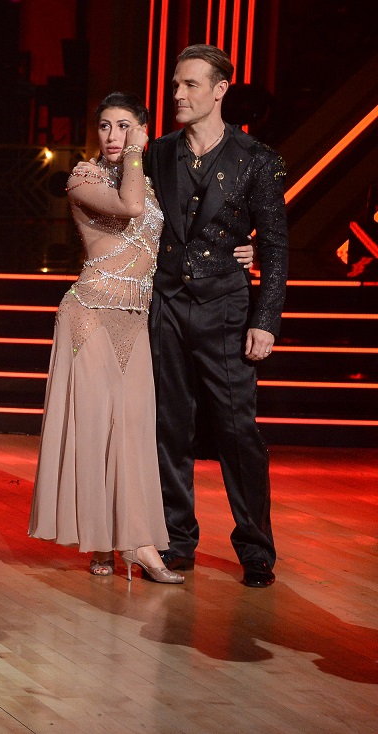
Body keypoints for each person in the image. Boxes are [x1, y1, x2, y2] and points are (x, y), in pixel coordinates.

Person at [28, 93, 185, 583]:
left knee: (135, 435)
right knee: (96, 432)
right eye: (105, 126)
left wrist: (244, 250)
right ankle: (101, 542)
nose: (113, 136)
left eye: (124, 126)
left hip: (135, 320)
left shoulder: (157, 184)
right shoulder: (84, 177)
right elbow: (130, 205)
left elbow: (179, 236)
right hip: (90, 316)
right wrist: (138, 150)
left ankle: (138, 545)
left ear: (141, 126)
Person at [147, 44, 288, 588]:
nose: (178, 95)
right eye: (176, 85)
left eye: (189, 86)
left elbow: (274, 245)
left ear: (220, 90)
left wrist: (265, 319)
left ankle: (255, 547)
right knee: (170, 427)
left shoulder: (256, 158)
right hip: (167, 304)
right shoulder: (159, 153)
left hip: (227, 309)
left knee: (237, 430)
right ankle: (177, 539)